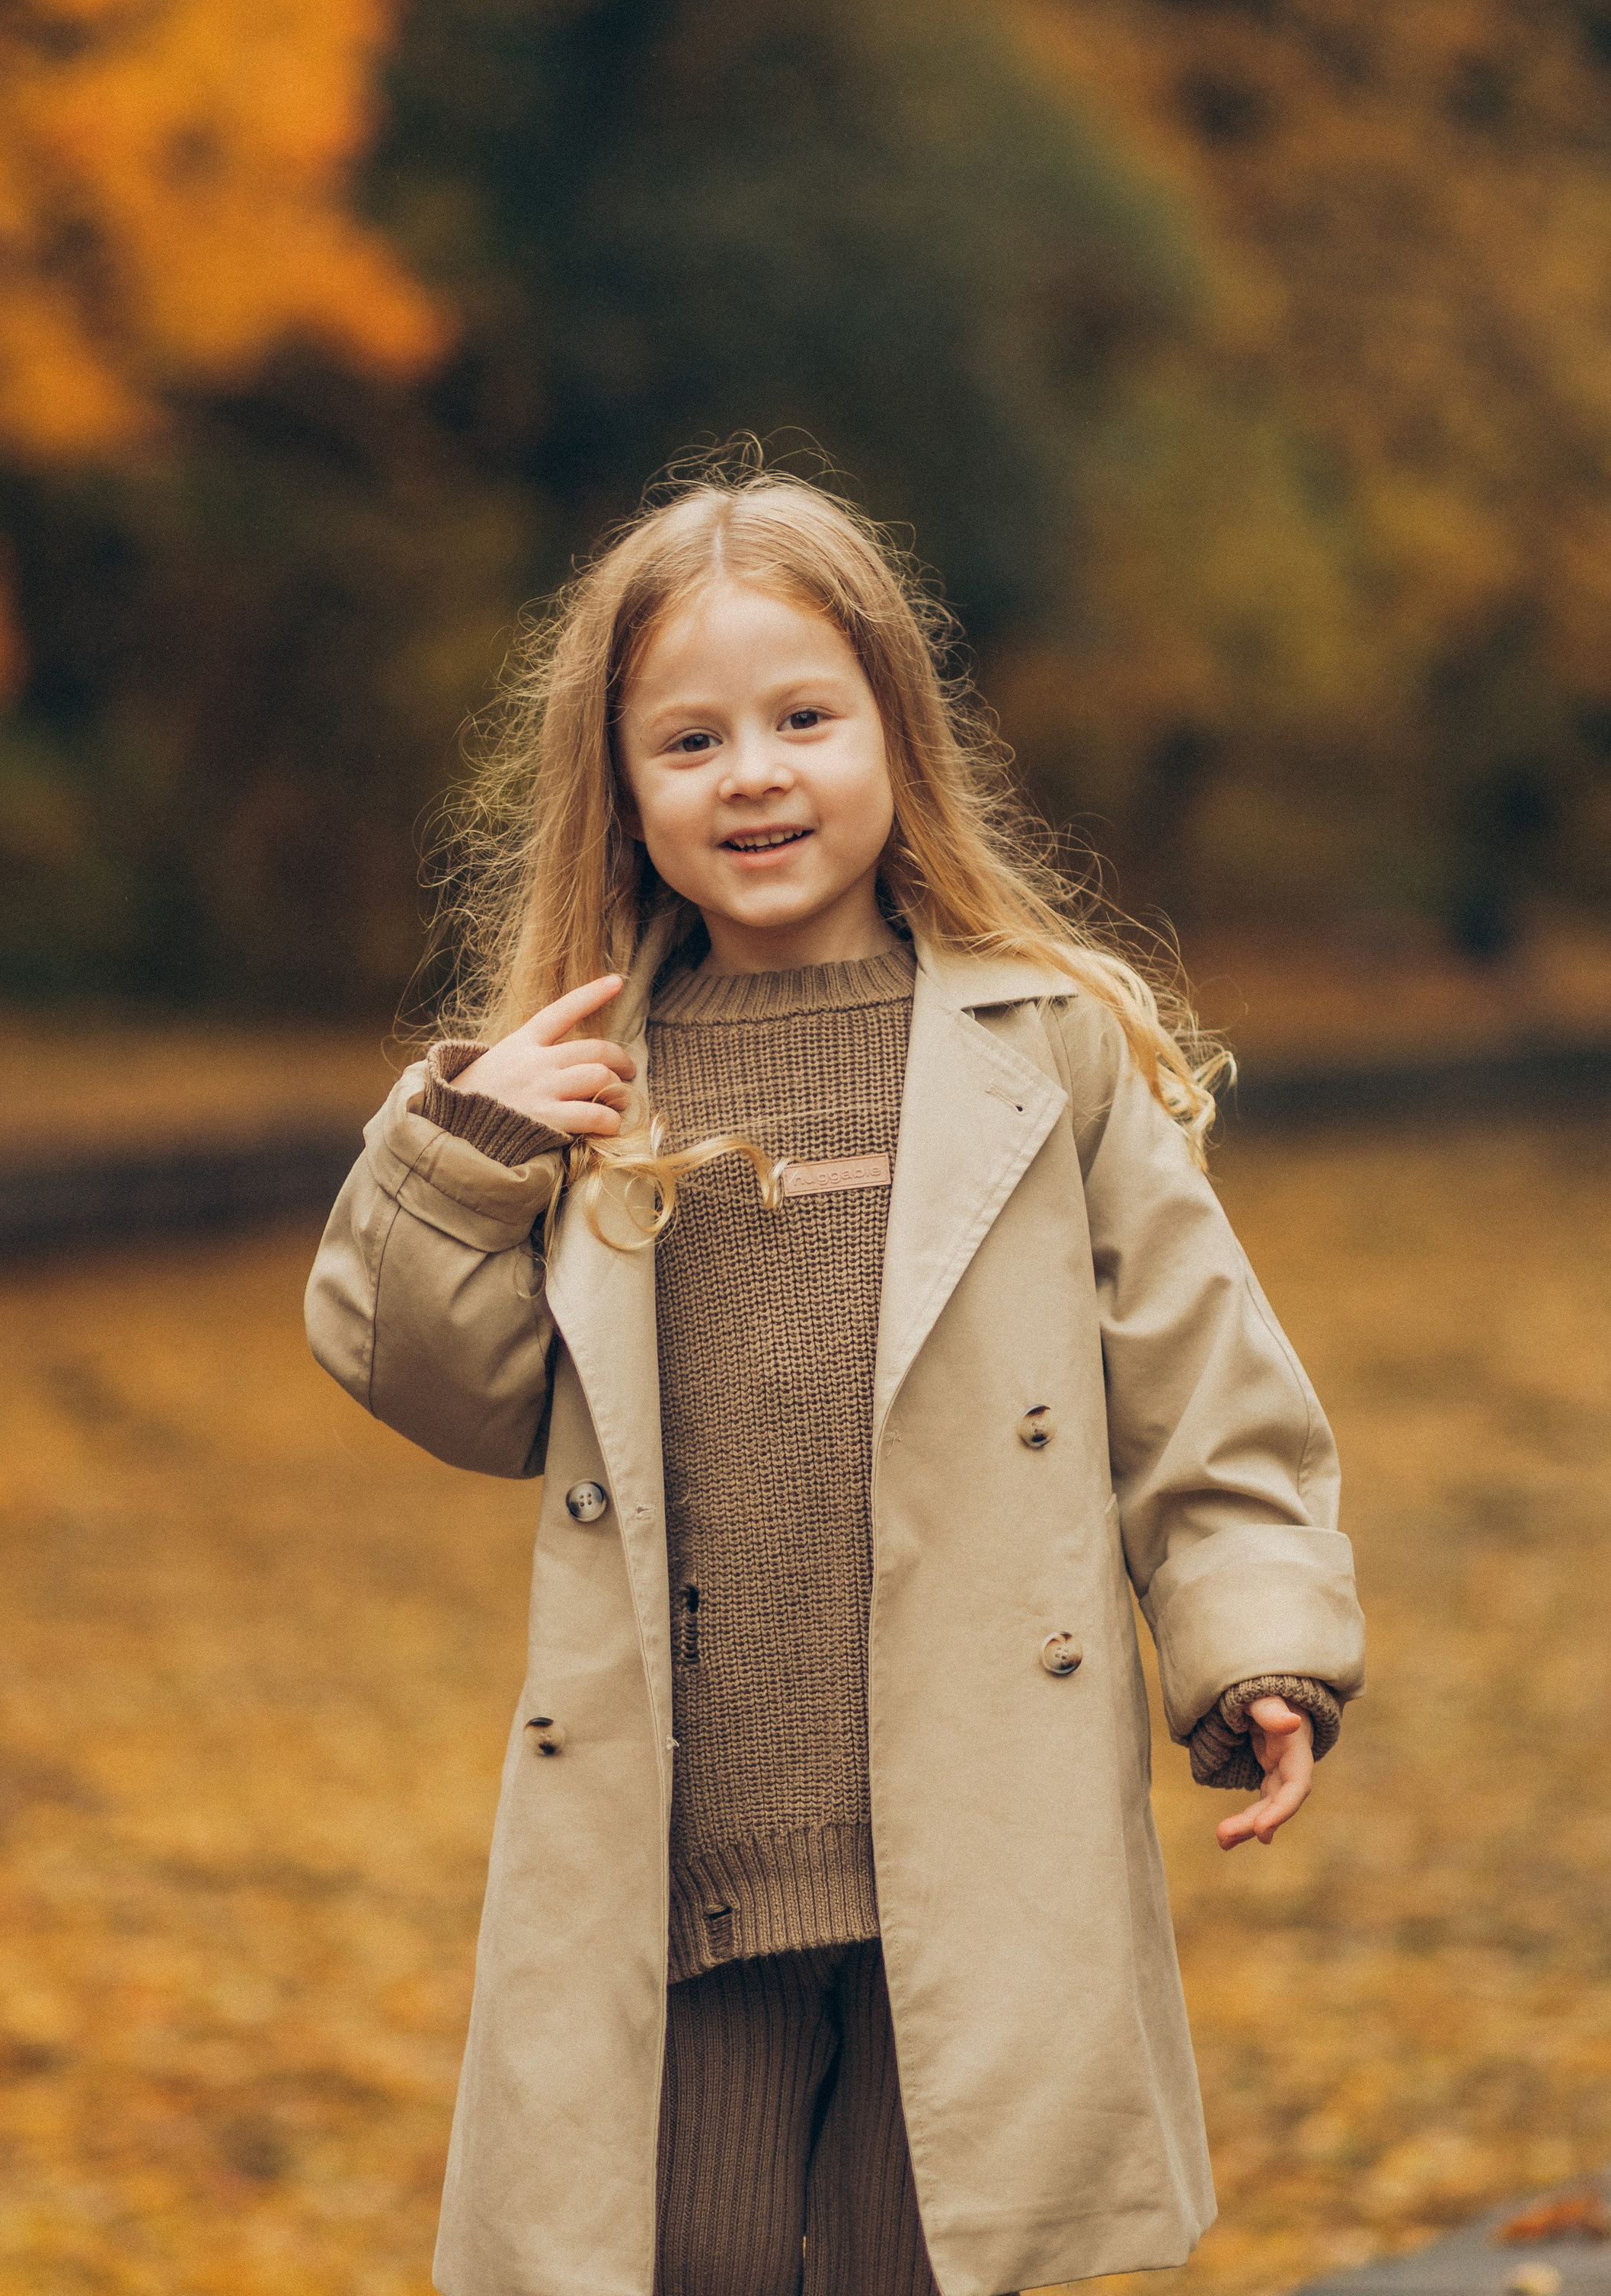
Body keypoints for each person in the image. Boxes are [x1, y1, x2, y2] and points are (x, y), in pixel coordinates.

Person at [305, 449, 1365, 2296]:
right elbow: (450, 1389)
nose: (756, 775)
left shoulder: (1054, 1043)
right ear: (622, 795)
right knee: (669, 2264)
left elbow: (1201, 1393)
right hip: (674, 1849)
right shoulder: (577, 1078)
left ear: (897, 733)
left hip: (971, 1831)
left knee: (928, 2265)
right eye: (690, 741)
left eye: (803, 715)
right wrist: (461, 1152)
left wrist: (1254, 1642)